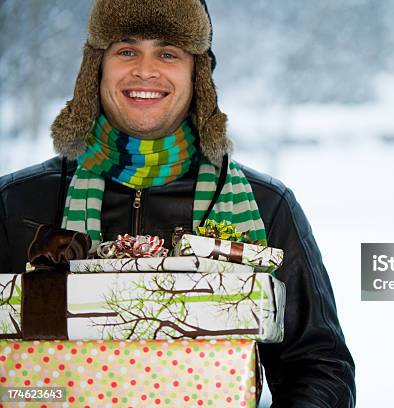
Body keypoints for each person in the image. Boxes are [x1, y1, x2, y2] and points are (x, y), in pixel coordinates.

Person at [0, 0, 356, 406]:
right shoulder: (17, 204)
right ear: (96, 68)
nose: (145, 70)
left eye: (168, 52)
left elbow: (319, 366)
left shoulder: (266, 204)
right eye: (126, 50)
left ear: (197, 74)